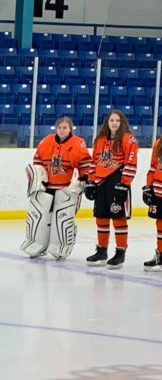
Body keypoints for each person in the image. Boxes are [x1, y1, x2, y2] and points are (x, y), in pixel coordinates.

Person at [21, 116, 94, 260]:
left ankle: (62, 247)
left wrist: (84, 180)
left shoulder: (78, 143)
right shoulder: (46, 141)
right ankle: (37, 245)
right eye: (60, 127)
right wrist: (39, 178)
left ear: (70, 129)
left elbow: (86, 164)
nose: (62, 130)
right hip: (47, 187)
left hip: (67, 189)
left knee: (62, 219)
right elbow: (37, 161)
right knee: (39, 217)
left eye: (65, 128)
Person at [83, 109, 138, 268]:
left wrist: (124, 184)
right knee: (101, 217)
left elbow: (131, 163)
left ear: (122, 123)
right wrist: (91, 182)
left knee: (118, 217)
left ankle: (120, 252)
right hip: (101, 182)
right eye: (112, 120)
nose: (114, 123)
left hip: (117, 180)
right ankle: (102, 250)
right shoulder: (99, 140)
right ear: (107, 122)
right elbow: (94, 162)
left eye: (117, 121)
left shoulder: (129, 139)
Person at [142, 135, 162, 271]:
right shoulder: (158, 143)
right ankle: (160, 254)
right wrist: (148, 186)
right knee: (160, 223)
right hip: (158, 191)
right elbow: (153, 167)